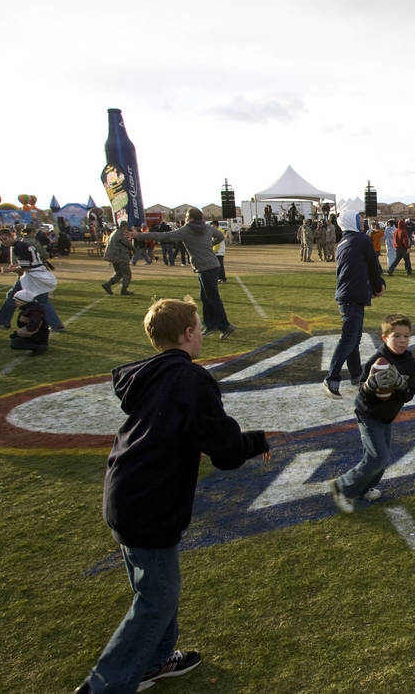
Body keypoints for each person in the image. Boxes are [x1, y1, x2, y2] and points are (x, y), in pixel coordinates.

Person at [74, 296, 269, 694]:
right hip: (150, 500)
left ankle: (155, 661)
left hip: (126, 491)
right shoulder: (189, 378)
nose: (201, 335)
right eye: (197, 328)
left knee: (158, 588)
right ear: (186, 334)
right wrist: (255, 441)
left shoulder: (153, 374)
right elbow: (226, 452)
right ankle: (103, 686)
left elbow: (182, 429)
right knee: (156, 600)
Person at [328, 313, 415, 513]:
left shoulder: (411, 365)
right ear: (384, 337)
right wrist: (370, 386)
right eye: (396, 336)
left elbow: (409, 395)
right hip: (368, 415)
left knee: (379, 458)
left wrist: (401, 384)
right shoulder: (377, 361)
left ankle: (364, 488)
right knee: (379, 457)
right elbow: (363, 393)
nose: (402, 340)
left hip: (387, 417)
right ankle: (342, 486)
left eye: (406, 336)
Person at [133, 208, 236, 339]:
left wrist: (138, 235)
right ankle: (211, 325)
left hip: (206, 268)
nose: (185, 218)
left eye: (187, 216)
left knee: (213, 298)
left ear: (191, 218)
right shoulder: (206, 227)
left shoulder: (187, 229)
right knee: (206, 298)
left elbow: (164, 236)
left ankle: (225, 326)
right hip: (211, 266)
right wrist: (210, 244)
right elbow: (220, 236)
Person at [323, 210, 386, 398]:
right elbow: (373, 267)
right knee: (349, 338)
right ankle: (331, 378)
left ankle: (356, 375)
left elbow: (355, 270)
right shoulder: (361, 240)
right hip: (353, 296)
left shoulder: (342, 242)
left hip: (347, 295)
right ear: (351, 221)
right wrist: (378, 286)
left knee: (354, 338)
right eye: (358, 219)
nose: (362, 222)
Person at [0, 227, 64, 332]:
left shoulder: (18, 247)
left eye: (5, 239)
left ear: (11, 236)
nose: (3, 242)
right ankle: (57, 325)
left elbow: (26, 267)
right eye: (1, 240)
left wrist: (9, 270)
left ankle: (1, 321)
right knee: (42, 302)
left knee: (12, 296)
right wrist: (15, 268)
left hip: (33, 276)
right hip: (38, 274)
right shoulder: (22, 245)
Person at [9, 290, 49, 355]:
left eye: (16, 300)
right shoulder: (30, 309)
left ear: (22, 302)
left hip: (38, 337)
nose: (14, 302)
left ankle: (40, 347)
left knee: (15, 343)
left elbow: (32, 327)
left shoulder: (34, 312)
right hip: (36, 335)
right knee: (15, 341)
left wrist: (17, 333)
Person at [102, 224, 135, 295]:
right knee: (127, 274)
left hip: (114, 257)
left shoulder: (114, 232)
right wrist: (133, 249)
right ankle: (124, 290)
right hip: (120, 257)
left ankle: (108, 284)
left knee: (119, 273)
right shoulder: (119, 233)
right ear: (123, 227)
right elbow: (127, 243)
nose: (126, 229)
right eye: (126, 228)